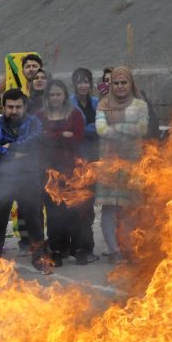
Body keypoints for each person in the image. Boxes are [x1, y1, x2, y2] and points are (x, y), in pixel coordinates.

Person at [0, 88, 49, 273]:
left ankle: (40, 258)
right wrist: (17, 153)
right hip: (3, 179)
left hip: (29, 177)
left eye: (18, 107)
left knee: (34, 221)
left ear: (25, 107)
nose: (14, 110)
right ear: (3, 107)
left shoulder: (34, 122)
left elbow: (35, 140)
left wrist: (10, 147)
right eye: (10, 107)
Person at [95, 67, 148, 263]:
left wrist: (115, 128)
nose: (119, 86)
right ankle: (114, 250)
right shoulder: (103, 105)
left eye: (123, 82)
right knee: (109, 209)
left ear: (130, 83)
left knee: (129, 209)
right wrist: (127, 130)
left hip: (132, 163)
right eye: (116, 83)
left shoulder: (140, 105)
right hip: (109, 164)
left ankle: (128, 247)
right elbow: (101, 129)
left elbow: (141, 128)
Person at [38, 80, 87, 266]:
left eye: (58, 94)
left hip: (71, 170)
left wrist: (51, 135)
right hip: (49, 171)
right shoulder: (40, 115)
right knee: (53, 213)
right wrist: (62, 135)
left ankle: (78, 249)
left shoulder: (74, 114)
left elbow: (78, 139)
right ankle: (56, 250)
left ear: (65, 95)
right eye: (52, 95)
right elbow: (39, 139)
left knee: (74, 210)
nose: (55, 98)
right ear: (47, 97)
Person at [70, 68, 100, 263]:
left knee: (88, 207)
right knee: (76, 206)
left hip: (94, 160)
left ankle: (88, 248)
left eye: (86, 81)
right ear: (75, 84)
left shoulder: (97, 103)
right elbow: (76, 131)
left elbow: (100, 127)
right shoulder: (70, 104)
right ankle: (77, 247)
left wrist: (86, 129)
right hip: (75, 161)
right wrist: (90, 129)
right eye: (80, 82)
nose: (83, 85)